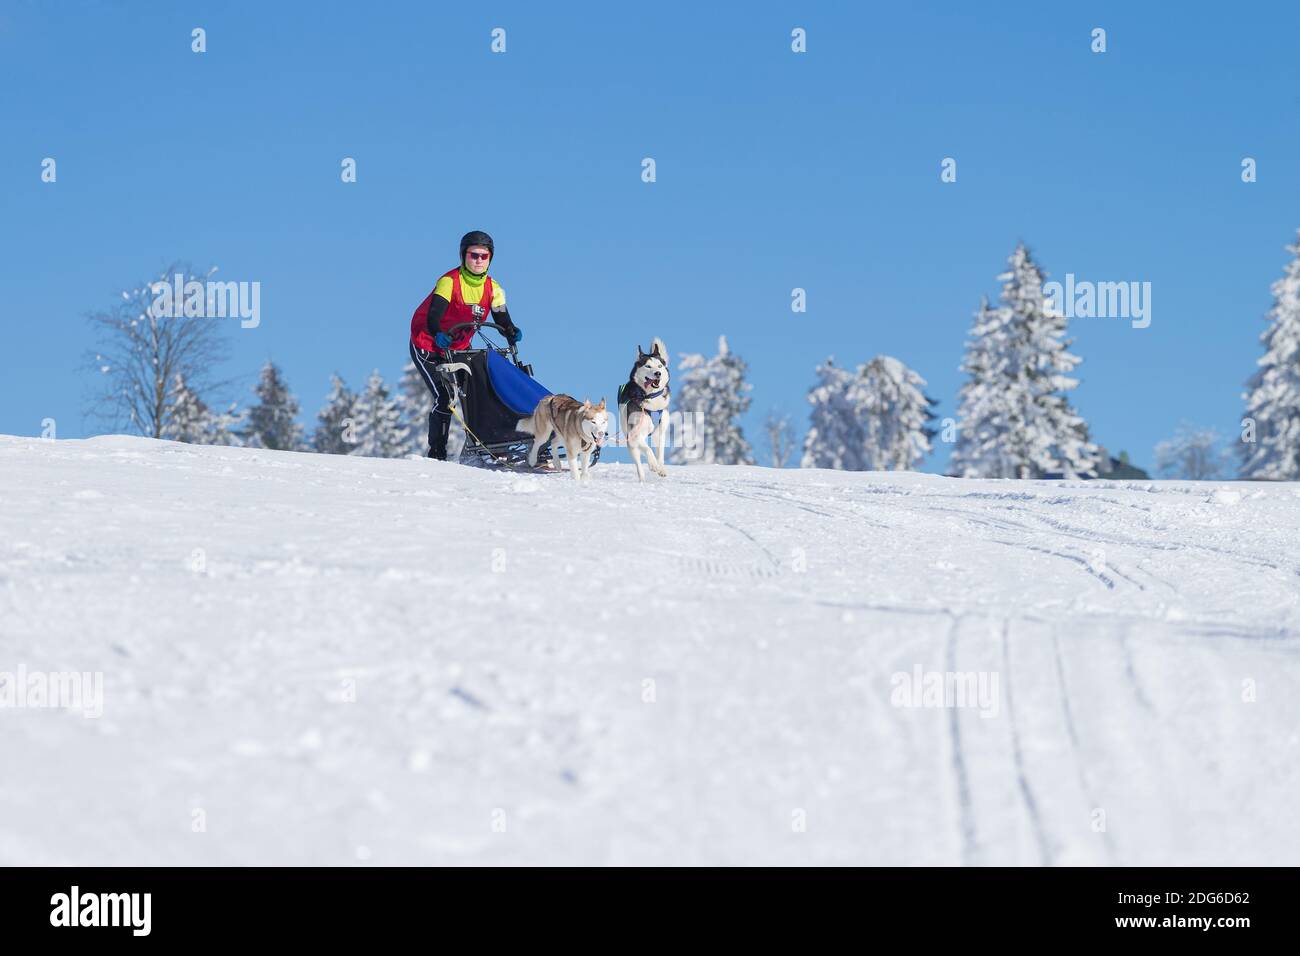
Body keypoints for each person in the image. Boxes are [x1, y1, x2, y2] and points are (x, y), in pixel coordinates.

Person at [408, 230, 521, 459]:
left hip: (457, 349)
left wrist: (511, 331)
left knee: (483, 392)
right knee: (445, 397)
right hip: (428, 345)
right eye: (473, 255)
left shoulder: (494, 289)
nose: (478, 261)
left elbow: (502, 318)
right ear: (463, 256)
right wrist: (438, 333)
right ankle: (437, 453)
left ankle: (491, 446)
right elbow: (433, 316)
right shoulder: (449, 282)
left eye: (483, 256)